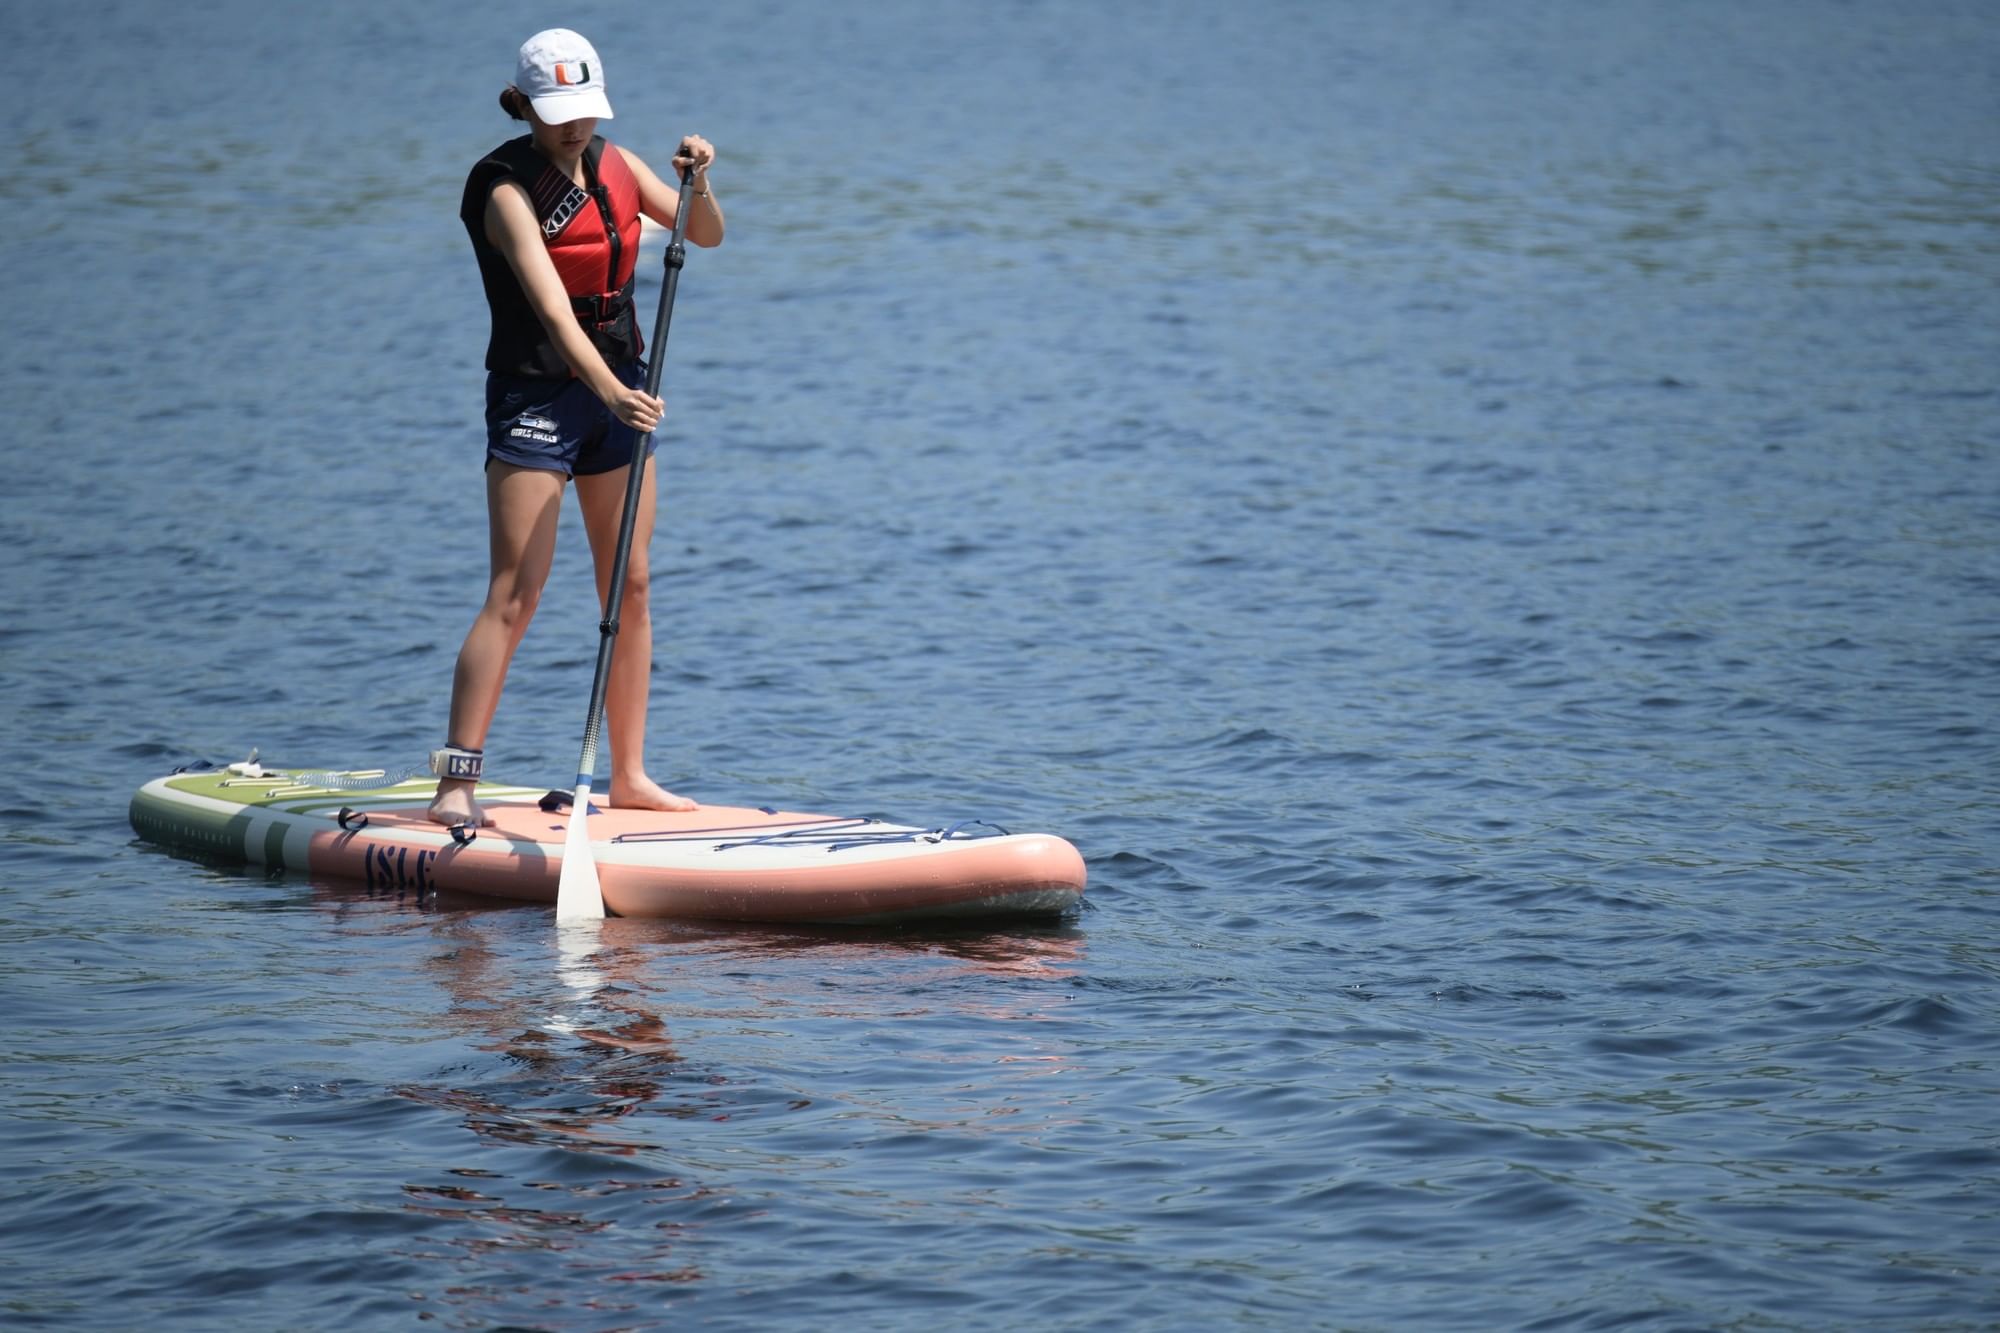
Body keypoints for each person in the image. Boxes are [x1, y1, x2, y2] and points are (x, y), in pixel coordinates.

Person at [428, 28, 725, 829]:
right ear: (519, 105)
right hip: (538, 400)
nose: (574, 127)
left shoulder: (617, 165)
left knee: (630, 584)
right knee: (515, 596)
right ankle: (455, 782)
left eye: (584, 111)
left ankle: (628, 774)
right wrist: (610, 392)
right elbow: (553, 312)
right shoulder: (502, 191)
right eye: (556, 113)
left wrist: (698, 180)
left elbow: (705, 232)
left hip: (620, 394)